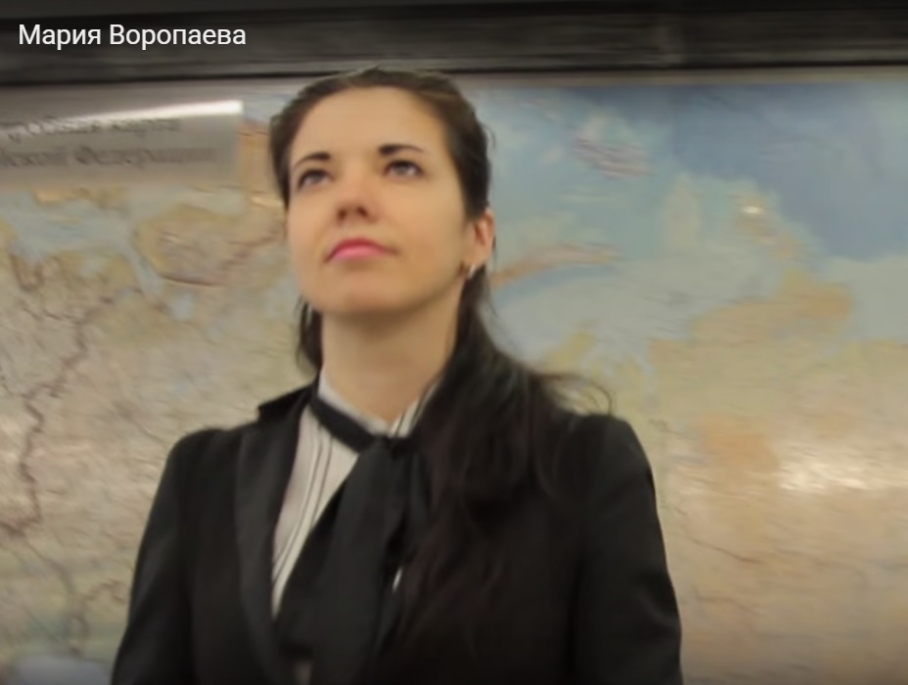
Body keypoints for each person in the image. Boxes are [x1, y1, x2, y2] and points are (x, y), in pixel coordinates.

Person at [111, 67, 684, 685]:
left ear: (477, 236)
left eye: (401, 167)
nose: (350, 199)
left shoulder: (582, 468)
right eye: (315, 176)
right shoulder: (204, 478)